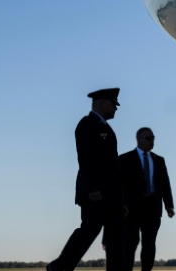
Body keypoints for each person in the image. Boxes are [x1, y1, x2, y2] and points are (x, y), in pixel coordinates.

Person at [48, 88, 125, 271]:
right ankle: (59, 267)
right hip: (95, 193)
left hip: (110, 195)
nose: (116, 108)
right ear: (101, 103)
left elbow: (112, 167)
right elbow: (86, 159)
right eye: (113, 104)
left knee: (116, 237)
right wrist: (92, 189)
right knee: (89, 231)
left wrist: (120, 197)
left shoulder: (106, 129)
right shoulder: (87, 125)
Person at [119, 127, 175, 271]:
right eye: (149, 138)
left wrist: (169, 205)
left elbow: (165, 184)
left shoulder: (159, 160)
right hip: (131, 209)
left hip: (152, 208)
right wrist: (121, 203)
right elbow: (119, 184)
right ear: (139, 139)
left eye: (153, 138)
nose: (152, 141)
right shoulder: (125, 159)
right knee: (130, 243)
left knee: (149, 243)